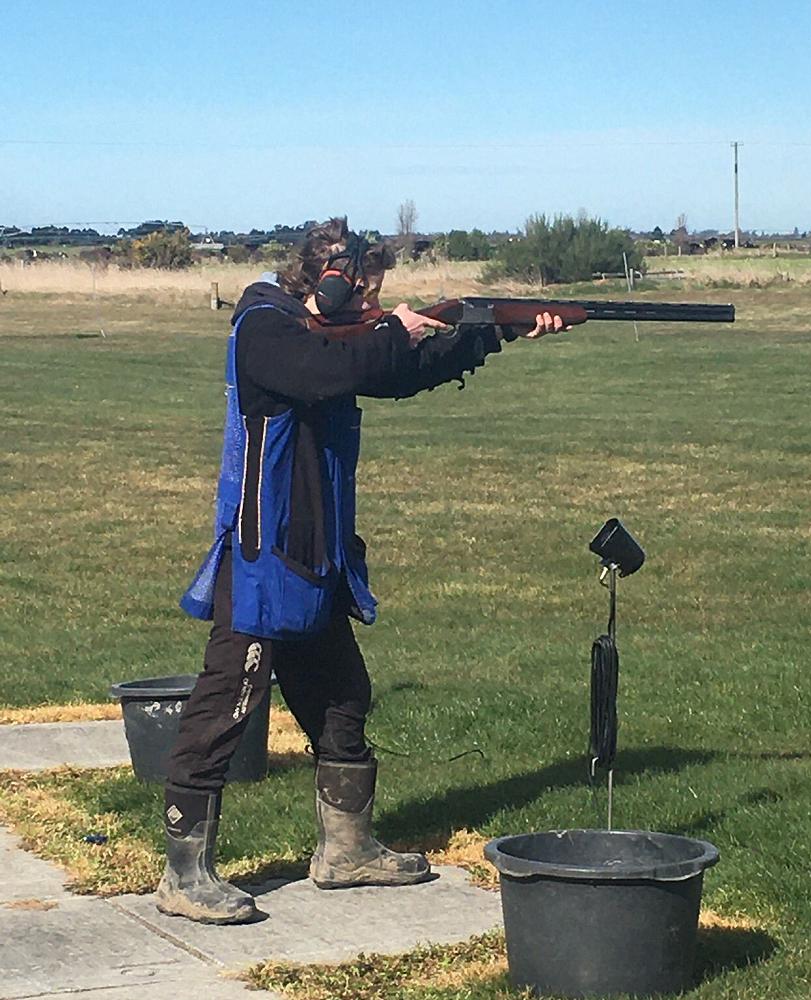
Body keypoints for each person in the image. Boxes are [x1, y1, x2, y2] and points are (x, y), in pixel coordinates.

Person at [157, 218, 566, 924]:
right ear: (333, 282)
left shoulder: (327, 331)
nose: (375, 304)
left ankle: (345, 851)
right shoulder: (266, 325)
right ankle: (183, 873)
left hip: (318, 554)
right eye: (367, 292)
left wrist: (493, 332)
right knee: (228, 702)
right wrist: (396, 330)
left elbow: (394, 375)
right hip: (266, 551)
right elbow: (334, 370)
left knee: (344, 696)